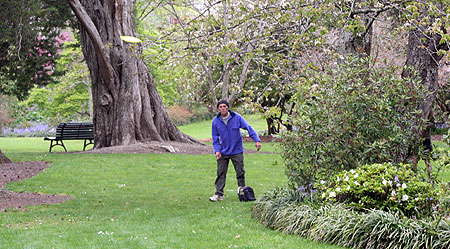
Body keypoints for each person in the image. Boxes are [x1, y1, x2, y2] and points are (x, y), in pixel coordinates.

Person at [209, 99, 261, 202]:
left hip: (237, 151)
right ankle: (219, 194)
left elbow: (248, 127)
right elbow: (215, 138)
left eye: (224, 106)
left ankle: (242, 192)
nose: (223, 108)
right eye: (220, 107)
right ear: (218, 109)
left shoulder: (236, 118)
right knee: (221, 173)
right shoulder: (215, 121)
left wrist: (256, 140)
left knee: (240, 172)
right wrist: (217, 150)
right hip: (223, 152)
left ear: (228, 107)